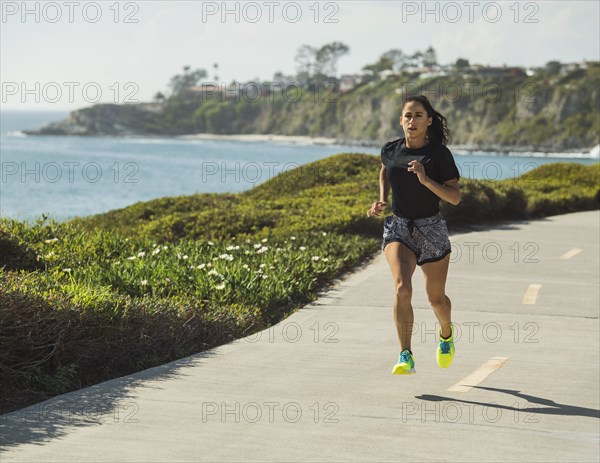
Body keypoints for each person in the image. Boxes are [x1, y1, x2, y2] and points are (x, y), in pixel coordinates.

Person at [367, 95, 461, 375]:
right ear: (401, 120)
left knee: (436, 299)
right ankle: (405, 354)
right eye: (408, 115)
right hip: (398, 226)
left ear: (429, 121)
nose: (412, 120)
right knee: (402, 289)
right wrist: (382, 199)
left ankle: (446, 334)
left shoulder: (439, 155)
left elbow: (454, 197)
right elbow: (385, 169)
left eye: (419, 115)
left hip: (430, 228)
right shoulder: (391, 149)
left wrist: (425, 179)